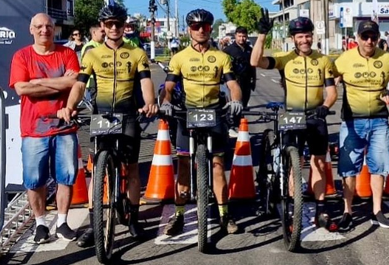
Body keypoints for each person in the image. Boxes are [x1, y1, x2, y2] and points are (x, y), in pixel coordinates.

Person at [58, 5, 158, 246]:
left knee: (132, 169)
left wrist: (150, 103)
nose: (114, 28)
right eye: (109, 24)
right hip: (101, 114)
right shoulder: (91, 54)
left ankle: (133, 219)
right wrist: (69, 107)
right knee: (97, 171)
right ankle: (95, 226)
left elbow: (145, 82)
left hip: (128, 114)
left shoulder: (136, 53)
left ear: (125, 26)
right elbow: (80, 84)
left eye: (118, 23)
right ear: (102, 26)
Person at [251, 12, 338, 230]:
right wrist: (262, 35)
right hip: (292, 115)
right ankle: (291, 211)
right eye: (299, 37)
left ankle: (320, 210)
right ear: (293, 39)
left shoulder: (323, 60)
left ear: (312, 36)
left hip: (315, 116)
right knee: (293, 163)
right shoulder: (285, 59)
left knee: (318, 162)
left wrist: (325, 108)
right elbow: (255, 61)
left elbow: (332, 91)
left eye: (307, 36)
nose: (304, 40)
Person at [160, 9, 243, 236]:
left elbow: (232, 84)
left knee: (218, 167)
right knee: (184, 167)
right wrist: (165, 102)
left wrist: (236, 100)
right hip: (187, 113)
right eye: (195, 27)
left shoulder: (221, 57)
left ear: (210, 29)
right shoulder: (179, 57)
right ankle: (178, 216)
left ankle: (225, 215)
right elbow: (168, 86)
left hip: (214, 112)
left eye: (205, 27)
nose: (200, 30)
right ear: (189, 30)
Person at [9, 13, 80, 244]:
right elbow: (21, 89)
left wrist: (36, 82)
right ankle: (40, 224)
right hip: (33, 130)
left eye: (48, 26)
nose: (44, 30)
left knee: (65, 178)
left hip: (64, 127)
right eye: (39, 26)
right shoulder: (22, 56)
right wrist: (58, 83)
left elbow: (74, 82)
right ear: (31, 29)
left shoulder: (67, 54)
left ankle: (62, 222)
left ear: (54, 28)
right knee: (34, 180)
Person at [334, 20, 389, 231]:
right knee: (348, 169)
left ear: (378, 38)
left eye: (373, 37)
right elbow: (330, 79)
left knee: (379, 167)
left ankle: (377, 211)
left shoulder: (386, 58)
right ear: (357, 38)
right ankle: (347, 211)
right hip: (352, 121)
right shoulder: (345, 58)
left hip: (379, 121)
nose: (369, 41)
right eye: (365, 37)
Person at [77, 24, 105, 110]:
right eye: (102, 31)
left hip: (101, 83)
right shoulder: (90, 47)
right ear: (94, 32)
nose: (104, 33)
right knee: (98, 111)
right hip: (94, 84)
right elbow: (92, 67)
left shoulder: (101, 45)